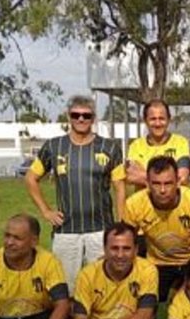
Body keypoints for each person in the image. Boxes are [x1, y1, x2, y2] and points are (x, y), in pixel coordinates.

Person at [26, 95, 127, 288]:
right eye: (76, 115)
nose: (81, 119)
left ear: (94, 118)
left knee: (102, 285)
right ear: (68, 116)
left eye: (86, 115)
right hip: (66, 230)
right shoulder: (54, 147)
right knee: (65, 286)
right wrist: (46, 211)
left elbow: (119, 187)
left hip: (101, 230)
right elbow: (31, 178)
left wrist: (120, 223)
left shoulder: (110, 147)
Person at [123, 155, 190, 302]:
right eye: (156, 184)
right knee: (143, 302)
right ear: (147, 183)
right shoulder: (134, 204)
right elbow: (126, 242)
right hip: (156, 263)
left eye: (168, 183)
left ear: (178, 182)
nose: (163, 190)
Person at [126, 99, 190, 188]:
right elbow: (131, 176)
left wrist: (144, 175)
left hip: (174, 201)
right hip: (145, 201)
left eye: (161, 118)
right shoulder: (136, 146)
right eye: (153, 119)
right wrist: (169, 177)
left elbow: (183, 177)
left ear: (169, 119)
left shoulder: (180, 142)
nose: (157, 123)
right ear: (145, 120)